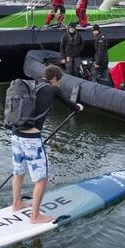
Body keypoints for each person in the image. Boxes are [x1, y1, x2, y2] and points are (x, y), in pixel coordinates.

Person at [11, 65, 84, 223]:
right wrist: (79, 107)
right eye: (59, 81)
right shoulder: (53, 89)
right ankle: (35, 216)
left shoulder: (31, 86)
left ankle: (16, 204)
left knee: (18, 172)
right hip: (31, 139)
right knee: (41, 179)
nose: (59, 84)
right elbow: (72, 106)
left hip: (15, 136)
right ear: (54, 79)